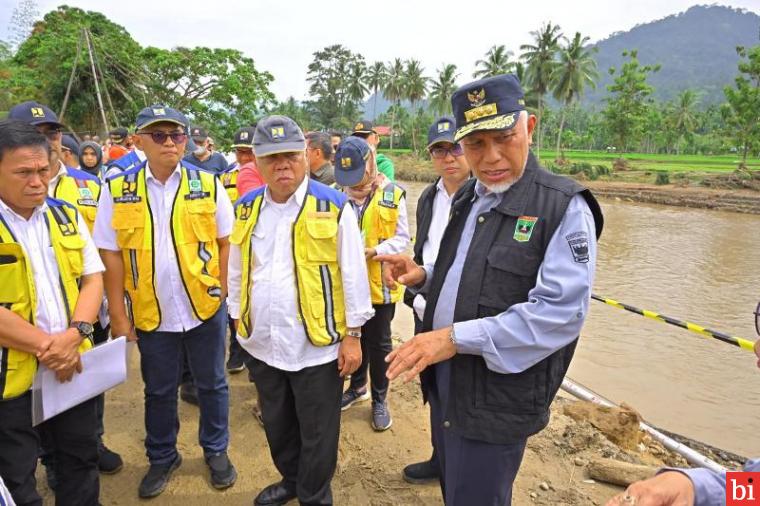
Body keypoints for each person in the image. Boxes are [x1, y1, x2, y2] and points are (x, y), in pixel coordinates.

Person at [376, 74, 604, 505]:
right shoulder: (472, 197)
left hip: (497, 394)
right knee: (454, 484)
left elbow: (558, 314)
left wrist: (453, 338)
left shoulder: (563, 207)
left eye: (504, 138)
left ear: (529, 128)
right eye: (476, 145)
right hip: (448, 377)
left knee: (478, 494)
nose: (492, 157)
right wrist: (422, 275)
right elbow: (465, 272)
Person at [228, 115, 373, 506]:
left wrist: (354, 337)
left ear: (306, 156)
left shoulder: (333, 206)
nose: (282, 165)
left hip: (318, 346)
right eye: (271, 157)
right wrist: (237, 320)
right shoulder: (246, 208)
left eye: (290, 155)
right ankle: (291, 480)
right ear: (255, 162)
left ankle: (313, 495)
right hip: (263, 342)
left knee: (319, 431)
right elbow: (238, 269)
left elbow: (354, 276)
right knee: (277, 425)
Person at [93, 105, 237, 498]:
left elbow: (227, 243)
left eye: (176, 134)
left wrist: (222, 291)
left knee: (212, 385)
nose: (170, 142)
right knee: (158, 390)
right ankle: (162, 457)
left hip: (203, 308)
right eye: (159, 135)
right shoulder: (117, 189)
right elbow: (110, 254)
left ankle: (216, 450)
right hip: (151, 311)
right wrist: (119, 315)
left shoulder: (207, 184)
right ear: (138, 141)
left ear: (186, 139)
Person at [0, 119, 104, 505]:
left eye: (43, 170)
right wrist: (50, 346)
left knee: (80, 459)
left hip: (69, 367)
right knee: (16, 476)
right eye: (23, 172)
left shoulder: (64, 214)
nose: (37, 181)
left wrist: (75, 334)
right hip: (9, 377)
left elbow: (92, 278)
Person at [401, 115, 471, 484]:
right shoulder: (429, 195)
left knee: (461, 393)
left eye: (456, 147)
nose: (449, 157)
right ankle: (439, 457)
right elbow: (425, 247)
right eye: (440, 150)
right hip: (425, 307)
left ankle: (459, 468)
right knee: (433, 387)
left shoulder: (482, 197)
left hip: (461, 318)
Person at [335, 136, 410, 431]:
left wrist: (375, 251)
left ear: (370, 162)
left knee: (378, 344)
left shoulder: (393, 194)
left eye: (359, 176)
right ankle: (356, 388)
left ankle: (379, 398)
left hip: (380, 284)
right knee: (351, 338)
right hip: (346, 288)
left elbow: (403, 238)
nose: (353, 184)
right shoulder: (333, 195)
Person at [236, 123, 265, 197]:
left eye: (250, 152)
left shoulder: (272, 171)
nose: (244, 158)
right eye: (240, 152)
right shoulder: (225, 176)